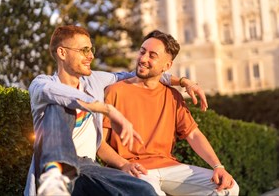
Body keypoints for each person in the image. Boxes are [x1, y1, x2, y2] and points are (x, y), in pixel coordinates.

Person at [24, 25, 208, 196]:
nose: (91, 56)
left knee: (143, 189)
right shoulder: (42, 84)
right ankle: (57, 177)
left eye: (91, 50)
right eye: (84, 50)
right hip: (52, 167)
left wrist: (185, 81)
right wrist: (107, 110)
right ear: (62, 53)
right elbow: (59, 94)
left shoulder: (95, 81)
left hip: (88, 166)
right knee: (58, 106)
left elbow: (144, 73)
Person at [100, 30, 240, 195]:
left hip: (169, 167)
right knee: (151, 192)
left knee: (228, 188)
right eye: (142, 52)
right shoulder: (115, 91)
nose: (143, 59)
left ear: (166, 66)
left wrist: (218, 167)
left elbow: (193, 134)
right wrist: (123, 165)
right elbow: (99, 143)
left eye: (152, 55)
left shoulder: (173, 96)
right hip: (134, 169)